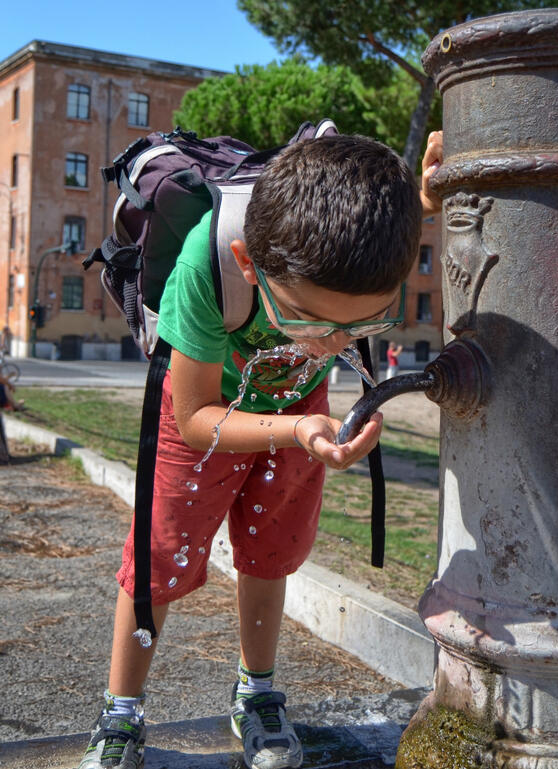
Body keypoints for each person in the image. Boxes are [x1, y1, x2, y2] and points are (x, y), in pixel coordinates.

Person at [78, 130, 443, 769]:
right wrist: (298, 432)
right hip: (204, 411)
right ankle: (122, 711)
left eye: (363, 323)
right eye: (307, 319)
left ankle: (257, 692)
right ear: (250, 264)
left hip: (298, 410)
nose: (332, 344)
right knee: (159, 557)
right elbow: (195, 420)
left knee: (270, 551)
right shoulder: (205, 266)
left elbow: (397, 229)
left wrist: (430, 200)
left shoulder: (350, 262)